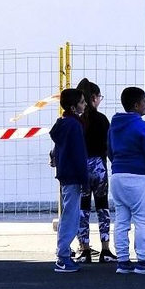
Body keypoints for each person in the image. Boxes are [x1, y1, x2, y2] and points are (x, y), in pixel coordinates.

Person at [108, 86, 145, 274]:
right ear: (136, 105)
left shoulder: (114, 126)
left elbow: (109, 150)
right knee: (142, 219)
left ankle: (123, 261)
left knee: (121, 220)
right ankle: (144, 261)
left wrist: (118, 165)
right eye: (144, 101)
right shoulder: (142, 126)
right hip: (138, 177)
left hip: (117, 176)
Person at [74, 79, 115, 264]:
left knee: (82, 209)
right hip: (99, 166)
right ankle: (105, 249)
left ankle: (84, 250)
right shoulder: (102, 120)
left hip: (81, 167)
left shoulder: (76, 121)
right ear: (93, 98)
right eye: (99, 97)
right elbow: (108, 145)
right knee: (102, 206)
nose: (100, 100)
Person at [50, 88, 87, 273]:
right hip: (73, 175)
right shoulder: (75, 125)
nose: (85, 104)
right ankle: (63, 256)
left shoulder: (61, 124)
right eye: (82, 102)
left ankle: (63, 252)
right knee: (71, 217)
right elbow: (79, 154)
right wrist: (84, 178)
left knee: (68, 214)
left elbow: (57, 150)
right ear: (74, 107)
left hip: (65, 174)